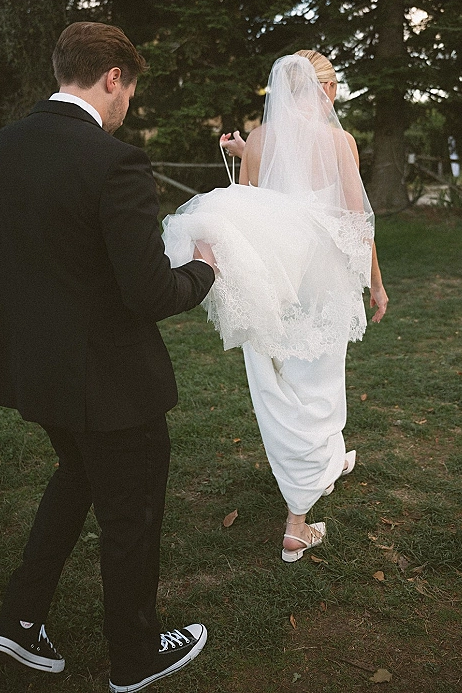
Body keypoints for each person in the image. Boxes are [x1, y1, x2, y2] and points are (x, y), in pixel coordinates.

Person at [0, 22, 216, 692]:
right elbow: (148, 292)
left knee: (77, 474)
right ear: (114, 77)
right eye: (129, 93)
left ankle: (19, 621)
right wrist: (203, 273)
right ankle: (137, 658)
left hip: (35, 370)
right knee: (131, 512)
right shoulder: (115, 161)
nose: (126, 108)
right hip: (113, 381)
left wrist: (37, 323)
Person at [162, 50, 388, 562]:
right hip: (323, 284)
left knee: (280, 383)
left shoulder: (261, 140)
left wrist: (247, 154)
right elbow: (359, 224)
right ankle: (297, 520)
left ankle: (324, 462)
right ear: (326, 91)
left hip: (276, 284)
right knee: (320, 381)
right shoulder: (339, 141)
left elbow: (248, 210)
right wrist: (376, 283)